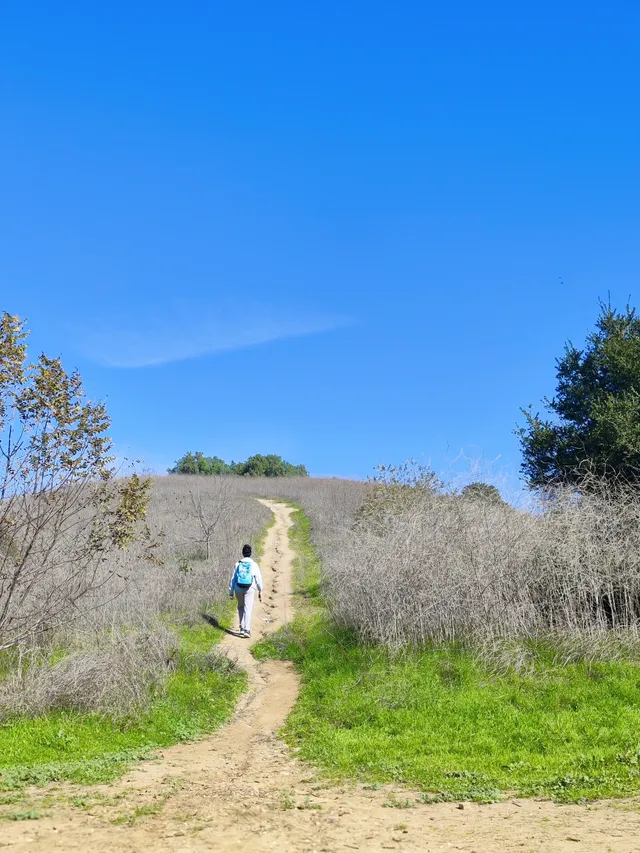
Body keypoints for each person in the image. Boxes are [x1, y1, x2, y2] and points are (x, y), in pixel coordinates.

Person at [229, 544, 263, 638]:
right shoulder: (254, 564)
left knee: (241, 606)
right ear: (250, 553)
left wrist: (231, 591)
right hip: (250, 588)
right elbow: (258, 579)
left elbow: (233, 579)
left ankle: (241, 628)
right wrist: (260, 590)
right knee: (248, 608)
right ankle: (246, 630)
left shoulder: (238, 564)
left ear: (242, 553)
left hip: (238, 588)